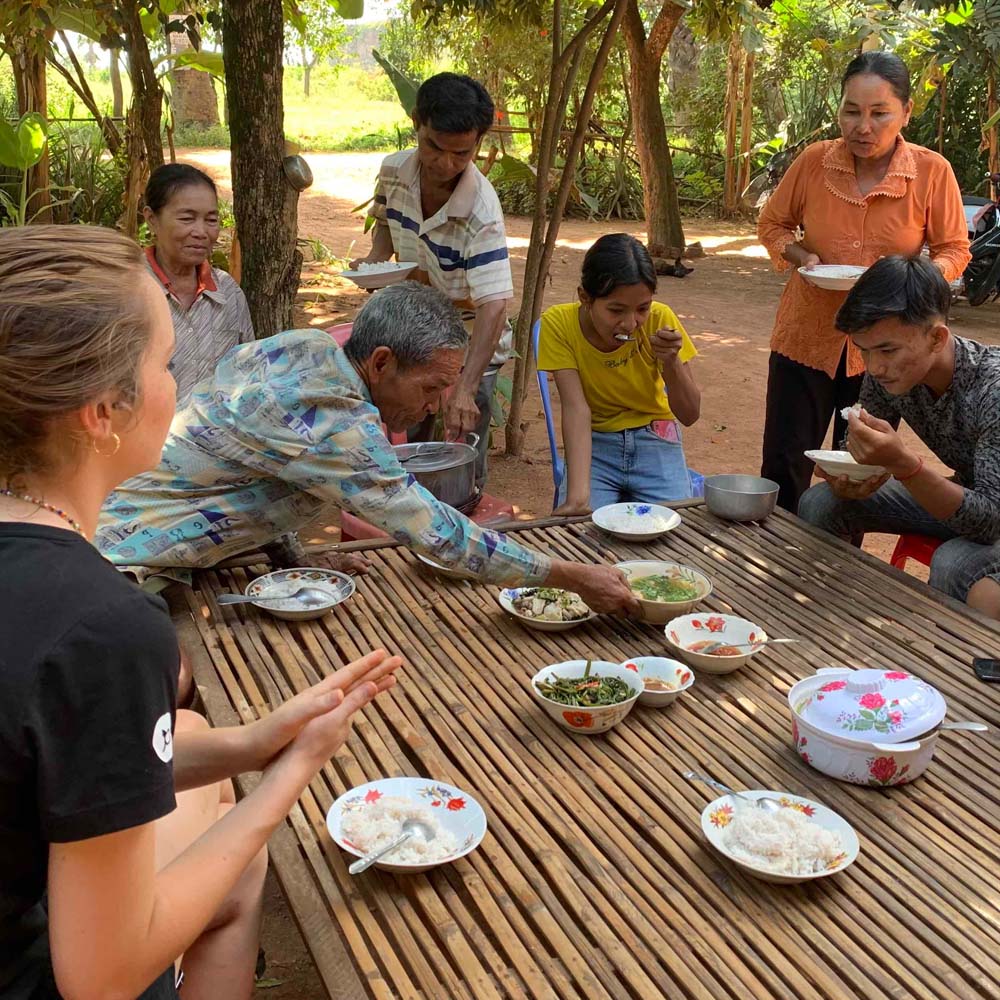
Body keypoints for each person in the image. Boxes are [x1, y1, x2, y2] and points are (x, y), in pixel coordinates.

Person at [0, 224, 401, 998]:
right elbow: (103, 975)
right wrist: (293, 773)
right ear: (102, 412)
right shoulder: (103, 628)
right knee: (239, 857)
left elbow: (52, 754)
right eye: (165, 362)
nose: (181, 383)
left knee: (193, 753)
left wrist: (254, 744)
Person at [97, 281, 638, 615]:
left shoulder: (305, 346)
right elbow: (435, 531)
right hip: (123, 565)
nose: (432, 408)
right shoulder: (331, 420)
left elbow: (261, 469)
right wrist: (568, 577)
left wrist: (296, 558)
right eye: (430, 388)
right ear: (380, 362)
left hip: (144, 542)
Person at [757, 51, 970, 512]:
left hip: (883, 349)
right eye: (851, 111)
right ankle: (771, 562)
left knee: (859, 467)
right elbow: (771, 226)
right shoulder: (814, 162)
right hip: (805, 337)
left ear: (907, 112)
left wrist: (912, 283)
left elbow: (955, 250)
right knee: (784, 459)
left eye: (879, 113)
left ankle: (839, 571)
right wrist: (803, 256)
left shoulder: (932, 172)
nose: (862, 127)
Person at [798, 255, 1000, 619]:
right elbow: (858, 453)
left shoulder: (992, 390)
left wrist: (904, 466)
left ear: (937, 337)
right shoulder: (886, 374)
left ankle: (960, 671)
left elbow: (989, 521)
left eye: (887, 350)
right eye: (864, 350)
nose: (874, 367)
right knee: (822, 502)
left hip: (993, 513)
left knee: (955, 564)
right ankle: (830, 623)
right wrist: (851, 475)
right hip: (973, 499)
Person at [351, 72, 511, 492]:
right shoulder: (392, 171)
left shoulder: (481, 210)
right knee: (408, 432)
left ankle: (466, 518)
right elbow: (385, 223)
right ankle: (406, 515)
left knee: (462, 436)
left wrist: (465, 385)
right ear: (415, 123)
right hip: (414, 329)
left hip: (470, 338)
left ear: (478, 143)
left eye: (461, 153)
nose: (445, 164)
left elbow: (494, 305)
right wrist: (373, 262)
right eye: (433, 147)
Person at [538, 234, 701, 514]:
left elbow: (689, 414)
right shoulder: (559, 325)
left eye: (642, 309)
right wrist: (578, 498)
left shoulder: (661, 321)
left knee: (675, 529)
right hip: (595, 442)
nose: (630, 323)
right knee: (581, 536)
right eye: (616, 310)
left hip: (656, 437)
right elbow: (576, 409)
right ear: (585, 298)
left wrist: (672, 362)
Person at [143, 162, 255, 406]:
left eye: (211, 220)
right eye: (187, 218)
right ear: (152, 219)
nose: (201, 232)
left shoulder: (228, 292)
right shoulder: (127, 291)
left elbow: (248, 374)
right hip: (145, 440)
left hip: (218, 439)